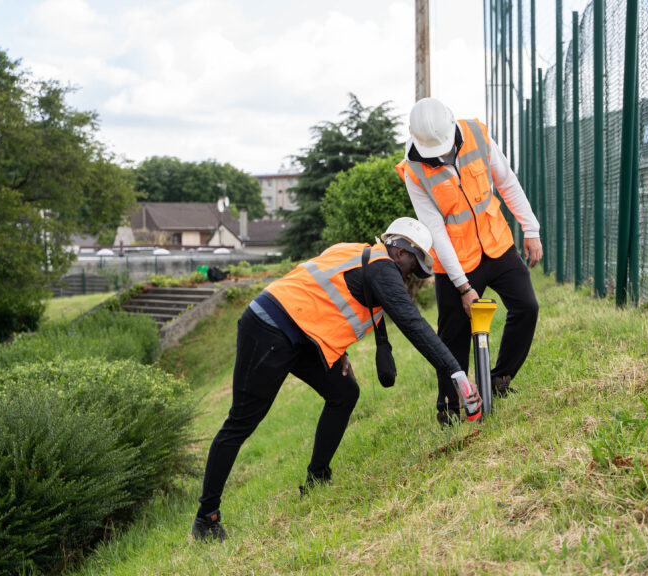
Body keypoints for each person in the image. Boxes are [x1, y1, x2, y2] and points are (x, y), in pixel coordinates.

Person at [191, 217, 481, 542]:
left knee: (343, 392)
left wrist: (335, 348)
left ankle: (317, 479)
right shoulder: (384, 267)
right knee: (241, 422)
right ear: (401, 251)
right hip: (268, 328)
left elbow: (325, 295)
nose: (412, 274)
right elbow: (414, 325)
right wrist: (458, 374)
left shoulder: (359, 253)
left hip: (301, 333)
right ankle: (206, 518)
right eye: (414, 264)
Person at [395, 97, 542, 427]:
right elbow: (435, 229)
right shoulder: (414, 169)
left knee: (527, 307)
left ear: (451, 123)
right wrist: (463, 286)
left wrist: (530, 228)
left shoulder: (477, 134)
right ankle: (448, 409)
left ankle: (499, 379)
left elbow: (506, 182)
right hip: (455, 261)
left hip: (496, 243)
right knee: (452, 338)